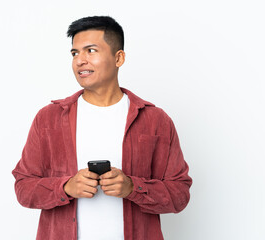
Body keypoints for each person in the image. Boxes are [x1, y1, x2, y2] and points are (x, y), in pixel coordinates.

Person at [12, 16, 192, 240]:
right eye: (75, 53)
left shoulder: (155, 120)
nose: (80, 61)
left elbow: (180, 194)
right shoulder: (49, 119)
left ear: (119, 57)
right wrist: (66, 187)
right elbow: (23, 187)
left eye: (91, 50)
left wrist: (132, 187)